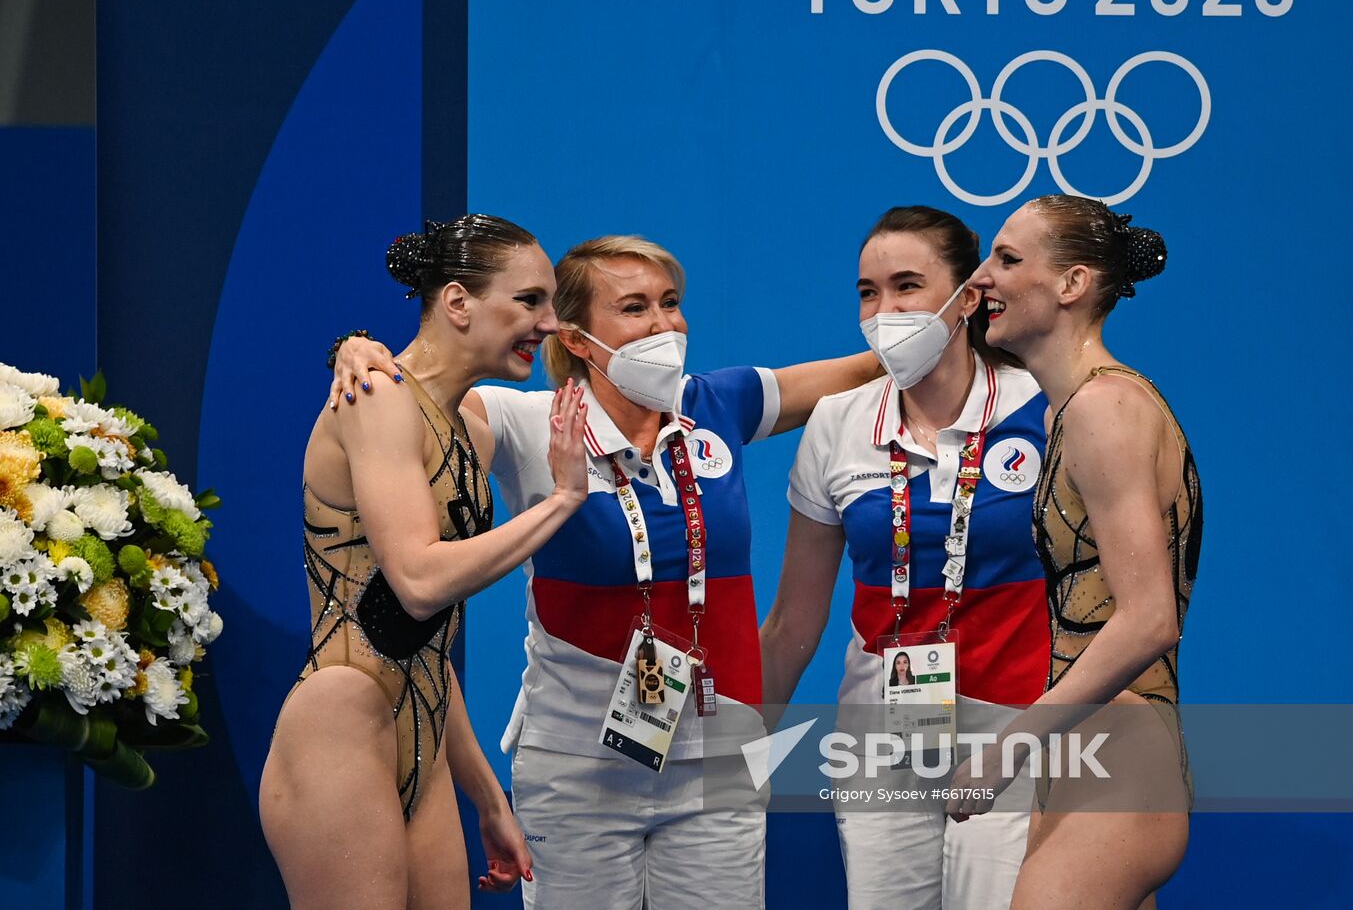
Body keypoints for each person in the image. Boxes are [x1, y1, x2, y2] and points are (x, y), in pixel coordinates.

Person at [331, 234, 880, 910]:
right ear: (579, 338)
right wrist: (356, 349)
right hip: (577, 767)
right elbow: (418, 392)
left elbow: (870, 369)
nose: (663, 325)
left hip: (716, 760)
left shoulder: (718, 404)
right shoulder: (527, 422)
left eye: (671, 304)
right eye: (634, 308)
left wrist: (953, 325)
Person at [259, 215, 591, 910]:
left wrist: (485, 795)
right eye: (529, 301)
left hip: (425, 731)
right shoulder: (377, 396)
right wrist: (561, 500)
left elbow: (428, 641)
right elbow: (416, 582)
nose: (550, 323)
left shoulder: (470, 426)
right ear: (458, 303)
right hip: (340, 725)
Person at [759, 206, 1051, 910]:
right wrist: (733, 749)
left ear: (967, 297)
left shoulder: (1043, 408)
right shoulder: (838, 421)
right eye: (868, 291)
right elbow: (795, 620)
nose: (884, 309)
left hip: (1013, 729)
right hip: (879, 736)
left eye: (906, 286)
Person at [954, 195, 1202, 910]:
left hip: (1121, 758)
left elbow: (1149, 617)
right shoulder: (1069, 409)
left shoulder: (1104, 407)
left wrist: (1007, 748)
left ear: (1071, 285)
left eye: (1006, 259)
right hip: (1092, 752)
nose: (981, 280)